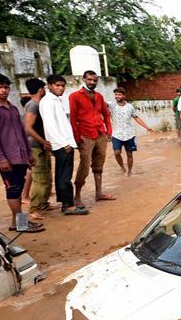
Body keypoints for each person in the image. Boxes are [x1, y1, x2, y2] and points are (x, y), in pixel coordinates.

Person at [0, 74, 43, 232]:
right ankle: (22, 224)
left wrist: (28, 153)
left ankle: (16, 224)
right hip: (7, 159)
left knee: (18, 190)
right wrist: (1, 159)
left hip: (21, 156)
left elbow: (22, 133)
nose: (3, 90)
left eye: (6, 87)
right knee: (13, 191)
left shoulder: (13, 109)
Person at [39, 74, 87, 215]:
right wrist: (64, 143)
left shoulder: (56, 101)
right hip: (62, 144)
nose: (61, 88)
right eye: (57, 85)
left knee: (62, 174)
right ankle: (69, 205)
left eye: (62, 85)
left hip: (64, 143)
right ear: (49, 86)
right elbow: (50, 126)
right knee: (65, 176)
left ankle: (65, 203)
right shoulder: (48, 102)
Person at [69, 70, 115, 208]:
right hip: (85, 135)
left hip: (100, 134)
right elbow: (73, 119)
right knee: (84, 166)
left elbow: (106, 115)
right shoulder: (75, 96)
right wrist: (77, 138)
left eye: (94, 80)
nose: (92, 82)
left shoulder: (99, 96)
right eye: (89, 80)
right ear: (84, 79)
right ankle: (77, 196)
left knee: (99, 164)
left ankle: (99, 193)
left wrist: (108, 131)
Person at [22, 78, 52, 222]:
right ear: (40, 89)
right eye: (44, 88)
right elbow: (28, 128)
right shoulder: (33, 105)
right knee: (40, 179)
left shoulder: (38, 104)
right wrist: (43, 141)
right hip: (36, 147)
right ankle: (34, 209)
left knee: (46, 176)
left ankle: (43, 203)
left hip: (41, 146)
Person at [111, 87, 155, 176]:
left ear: (124, 96)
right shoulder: (111, 106)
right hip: (116, 134)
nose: (117, 96)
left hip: (129, 134)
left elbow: (136, 118)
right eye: (116, 94)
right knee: (116, 152)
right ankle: (122, 167)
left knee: (129, 154)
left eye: (119, 94)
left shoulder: (130, 107)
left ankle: (129, 171)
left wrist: (147, 127)